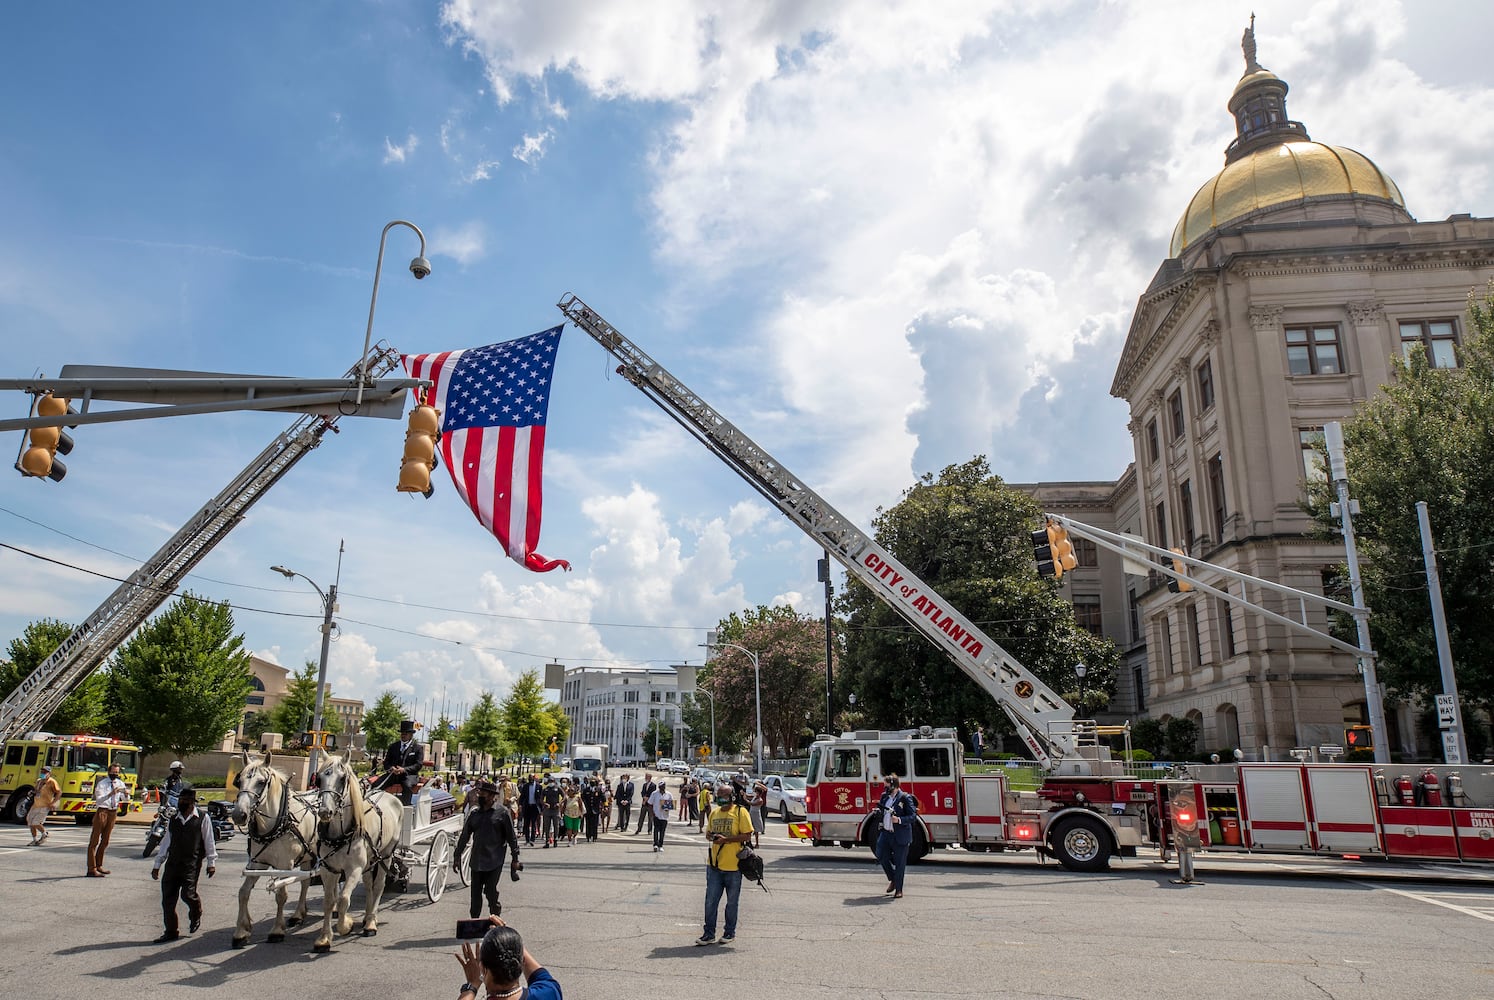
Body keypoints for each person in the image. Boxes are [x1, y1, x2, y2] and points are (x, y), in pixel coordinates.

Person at [150, 785, 218, 942]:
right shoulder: (174, 819)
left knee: (188, 895)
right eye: (181, 799)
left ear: (192, 802)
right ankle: (171, 931)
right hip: (173, 865)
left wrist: (211, 862)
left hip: (191, 865)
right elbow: (166, 843)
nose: (182, 802)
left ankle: (196, 911)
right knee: (168, 900)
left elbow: (209, 841)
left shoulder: (202, 818)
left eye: (186, 800)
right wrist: (157, 864)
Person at [453, 780, 521, 920]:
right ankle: (474, 923)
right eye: (479, 792)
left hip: (494, 860)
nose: (479, 795)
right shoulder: (475, 814)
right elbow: (465, 836)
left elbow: (511, 838)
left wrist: (515, 858)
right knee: (475, 895)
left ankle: (495, 919)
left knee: (490, 892)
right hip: (477, 860)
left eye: (482, 793)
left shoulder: (502, 813)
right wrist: (457, 856)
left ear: (491, 796)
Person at [697, 781, 755, 946]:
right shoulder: (714, 813)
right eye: (719, 795)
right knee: (710, 901)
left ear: (732, 797)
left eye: (724, 795)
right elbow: (708, 834)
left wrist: (727, 840)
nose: (721, 798)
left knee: (731, 903)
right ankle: (709, 934)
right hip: (714, 866)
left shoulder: (740, 812)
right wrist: (711, 837)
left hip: (734, 866)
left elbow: (747, 835)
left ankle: (729, 932)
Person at [454, 915, 561, 1000]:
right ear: (522, 962)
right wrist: (506, 936)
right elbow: (539, 974)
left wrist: (471, 986)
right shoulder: (549, 992)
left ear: (482, 968)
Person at [875, 774, 918, 899]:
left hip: (900, 835)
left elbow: (913, 816)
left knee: (900, 862)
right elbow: (883, 811)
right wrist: (878, 813)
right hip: (886, 833)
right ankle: (893, 878)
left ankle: (899, 889)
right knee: (880, 855)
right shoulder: (885, 797)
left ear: (894, 785)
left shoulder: (905, 798)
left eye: (887, 786)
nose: (885, 789)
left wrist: (899, 820)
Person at [86, 761, 130, 877]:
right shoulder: (102, 783)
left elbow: (125, 799)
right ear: (109, 772)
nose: (115, 774)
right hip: (102, 811)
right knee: (94, 841)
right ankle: (91, 868)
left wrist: (126, 794)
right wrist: (110, 794)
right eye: (113, 772)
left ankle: (99, 864)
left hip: (113, 812)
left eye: (117, 772)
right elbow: (99, 800)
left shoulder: (120, 783)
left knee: (105, 840)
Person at [382, 720, 425, 806]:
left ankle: (405, 806)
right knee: (378, 784)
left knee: (407, 785)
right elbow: (386, 762)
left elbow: (418, 765)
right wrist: (391, 768)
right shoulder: (393, 746)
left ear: (411, 735)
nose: (403, 735)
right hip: (393, 774)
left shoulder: (418, 748)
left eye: (406, 733)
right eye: (402, 733)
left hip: (409, 775)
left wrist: (404, 769)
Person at [28, 765, 61, 845]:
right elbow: (37, 791)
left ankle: (45, 833)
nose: (43, 773)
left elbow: (59, 792)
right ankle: (34, 839)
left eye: (45, 772)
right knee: (30, 822)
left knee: (36, 822)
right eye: (42, 771)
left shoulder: (52, 781)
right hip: (35, 804)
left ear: (49, 773)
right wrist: (32, 793)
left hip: (45, 805)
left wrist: (53, 803)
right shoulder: (39, 781)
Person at [649, 780, 673, 852]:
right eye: (661, 786)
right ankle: (655, 844)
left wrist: (668, 808)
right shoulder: (654, 794)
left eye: (663, 786)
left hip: (665, 816)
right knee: (656, 830)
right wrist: (652, 813)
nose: (662, 788)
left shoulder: (669, 794)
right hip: (656, 815)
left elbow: (671, 804)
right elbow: (650, 803)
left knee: (662, 831)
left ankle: (660, 845)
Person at [539, 776, 562, 848]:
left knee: (556, 826)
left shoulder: (558, 788)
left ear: (554, 781)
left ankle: (555, 840)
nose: (550, 783)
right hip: (547, 809)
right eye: (549, 781)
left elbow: (564, 796)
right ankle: (547, 841)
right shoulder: (545, 789)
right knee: (547, 826)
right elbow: (541, 799)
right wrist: (544, 803)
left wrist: (559, 803)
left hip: (555, 809)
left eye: (552, 781)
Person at [580, 777, 604, 842]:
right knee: (588, 824)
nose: (592, 782)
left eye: (593, 781)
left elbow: (603, 799)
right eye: (591, 781)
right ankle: (588, 836)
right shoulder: (586, 790)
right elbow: (582, 798)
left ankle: (594, 837)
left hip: (595, 810)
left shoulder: (598, 790)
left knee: (595, 824)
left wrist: (602, 806)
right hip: (588, 810)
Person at [520, 775, 541, 845]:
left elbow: (541, 797)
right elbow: (522, 796)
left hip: (535, 807)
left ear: (534, 779)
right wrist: (520, 805)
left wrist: (541, 808)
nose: (530, 780)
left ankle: (532, 839)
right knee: (526, 823)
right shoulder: (525, 786)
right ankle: (527, 839)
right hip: (527, 807)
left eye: (532, 779)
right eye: (529, 779)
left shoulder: (539, 786)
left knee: (534, 823)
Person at [749, 776, 769, 849]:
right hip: (755, 808)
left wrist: (758, 783)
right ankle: (757, 830)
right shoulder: (756, 794)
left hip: (762, 806)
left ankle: (761, 829)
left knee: (762, 818)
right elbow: (753, 791)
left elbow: (765, 789)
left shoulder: (763, 791)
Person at [561, 781, 582, 847]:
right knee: (569, 828)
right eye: (569, 790)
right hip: (568, 815)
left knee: (575, 829)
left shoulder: (578, 798)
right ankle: (569, 840)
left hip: (576, 815)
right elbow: (564, 806)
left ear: (574, 791)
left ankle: (574, 837)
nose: (570, 792)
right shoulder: (567, 799)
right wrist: (561, 813)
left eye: (571, 790)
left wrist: (581, 813)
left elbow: (581, 806)